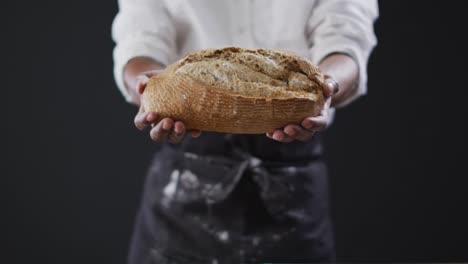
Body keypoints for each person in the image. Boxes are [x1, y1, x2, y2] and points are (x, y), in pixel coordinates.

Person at [112, 0, 378, 263]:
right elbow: (140, 34)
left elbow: (346, 33)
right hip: (184, 180)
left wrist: (327, 85)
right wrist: (148, 85)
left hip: (292, 178)